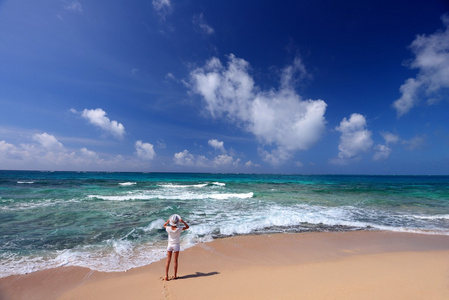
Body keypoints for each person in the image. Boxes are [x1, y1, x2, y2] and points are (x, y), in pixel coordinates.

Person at [163, 214, 189, 281]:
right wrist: (182, 222)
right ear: (177, 222)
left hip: (170, 245)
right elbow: (187, 227)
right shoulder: (179, 229)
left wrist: (167, 222)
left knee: (168, 261)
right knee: (175, 261)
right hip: (176, 245)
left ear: (171, 221)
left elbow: (164, 225)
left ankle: (166, 275)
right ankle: (175, 275)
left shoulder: (168, 228)